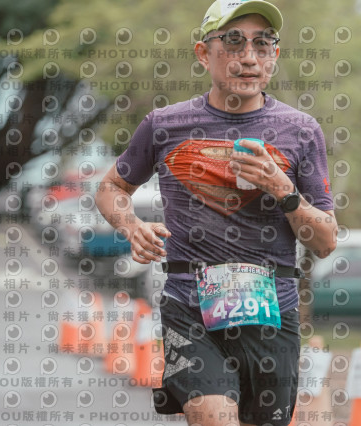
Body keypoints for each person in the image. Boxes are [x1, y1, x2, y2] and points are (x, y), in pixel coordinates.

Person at [95, 0, 338, 424]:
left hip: (273, 313)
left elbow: (326, 241)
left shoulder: (301, 131)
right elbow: (110, 187)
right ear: (204, 54)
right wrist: (131, 226)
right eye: (233, 42)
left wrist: (283, 190)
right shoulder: (164, 124)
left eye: (263, 44)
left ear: (275, 55)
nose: (249, 57)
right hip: (189, 308)